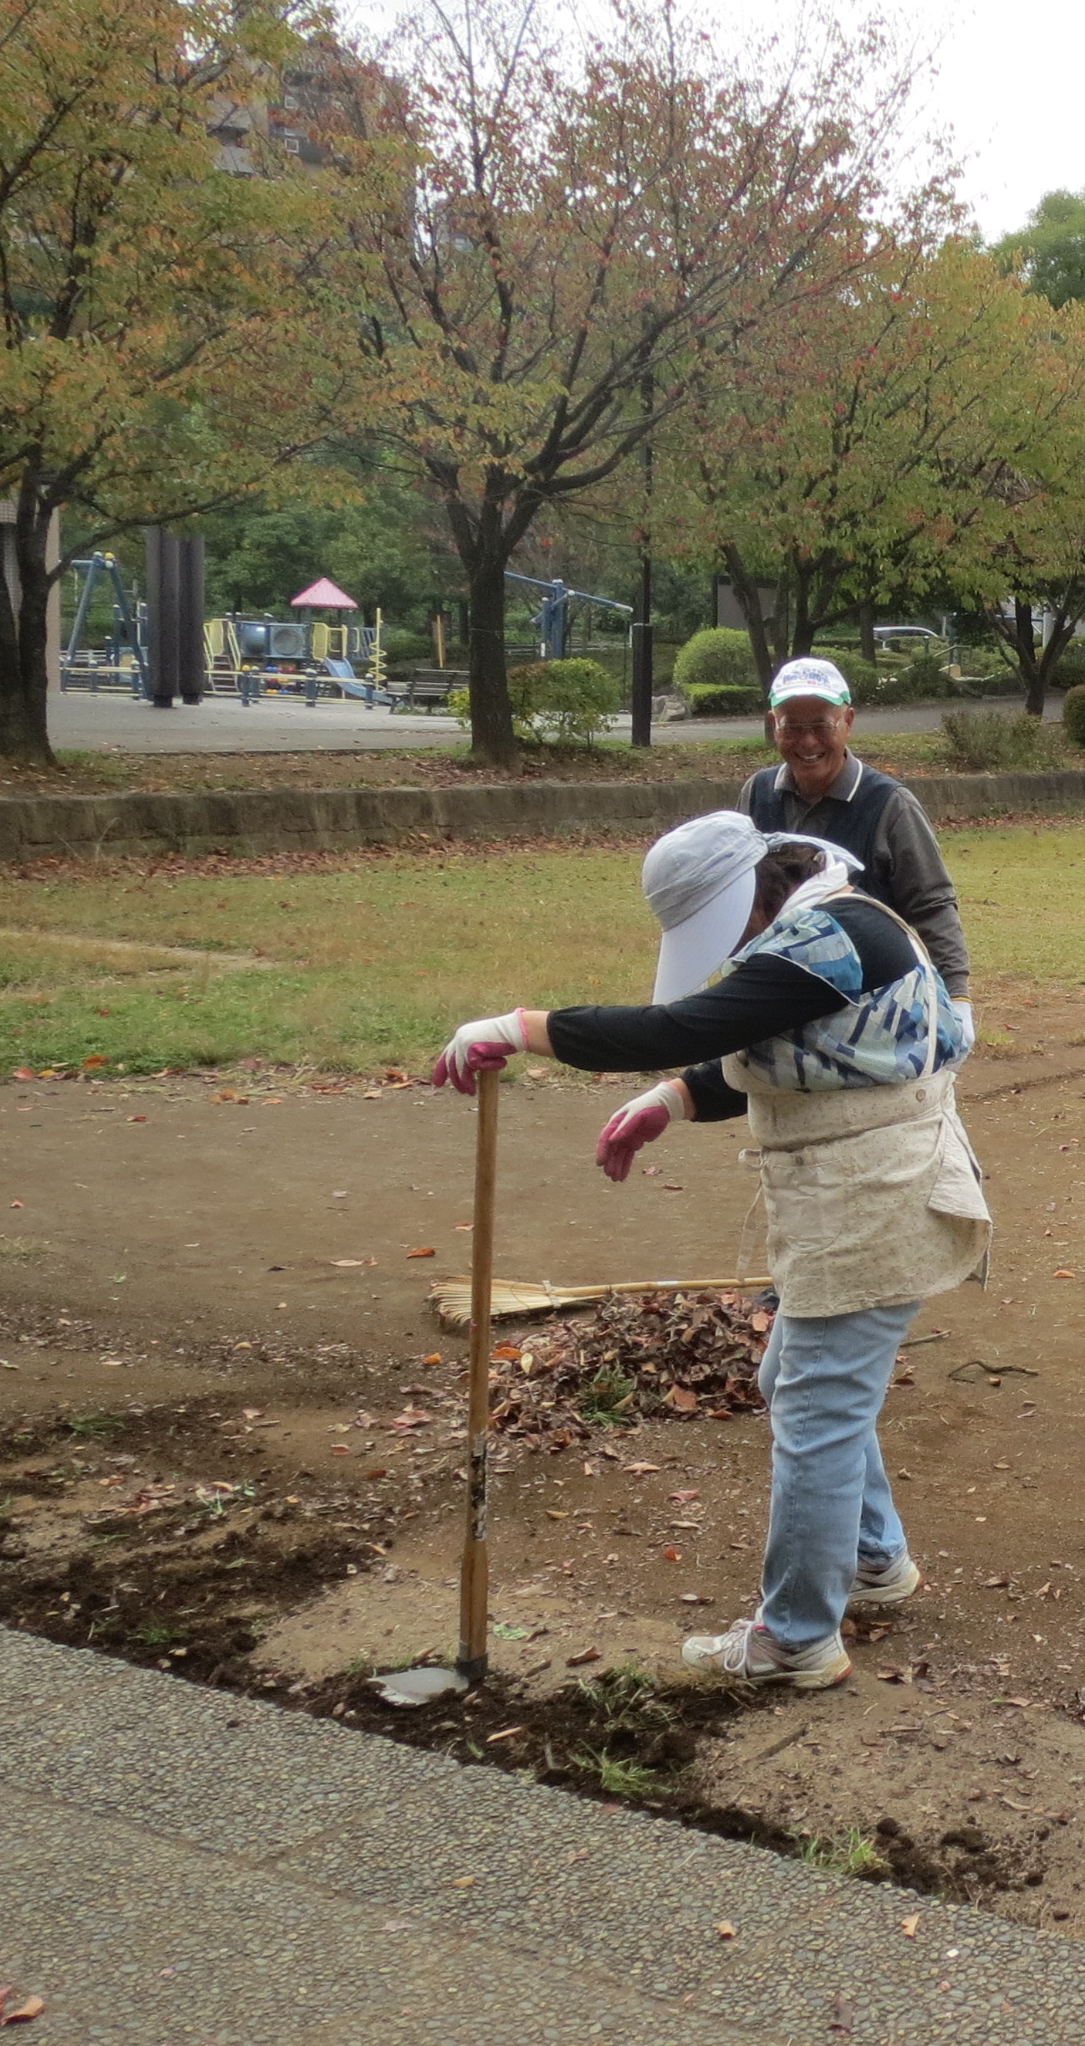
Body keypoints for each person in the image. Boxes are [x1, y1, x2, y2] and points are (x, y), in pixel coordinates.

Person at [429, 810, 986, 1689]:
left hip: (881, 1201)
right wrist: (672, 1105)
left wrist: (519, 1026)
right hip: (862, 1195)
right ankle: (875, 1559)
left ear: (753, 894)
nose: (728, 951)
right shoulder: (826, 926)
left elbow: (683, 1029)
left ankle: (796, 1638)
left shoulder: (837, 936)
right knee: (803, 1388)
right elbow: (772, 1049)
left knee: (815, 1410)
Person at [738, 655, 972, 1007]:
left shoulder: (890, 805)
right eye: (792, 727)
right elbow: (738, 897)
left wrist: (956, 997)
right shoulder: (756, 794)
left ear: (847, 721)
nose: (808, 742)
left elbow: (931, 906)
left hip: (868, 1004)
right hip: (771, 995)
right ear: (774, 725)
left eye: (821, 726)